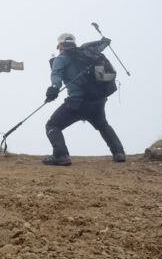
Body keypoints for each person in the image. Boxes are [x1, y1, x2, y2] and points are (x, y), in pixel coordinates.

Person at [43, 32, 126, 166]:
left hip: (77, 103)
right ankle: (119, 153)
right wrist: (104, 40)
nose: (58, 49)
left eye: (58, 46)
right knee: (103, 125)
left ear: (61, 45)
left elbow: (56, 75)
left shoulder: (61, 59)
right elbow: (102, 45)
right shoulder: (87, 52)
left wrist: (54, 89)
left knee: (52, 125)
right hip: (97, 101)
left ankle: (61, 156)